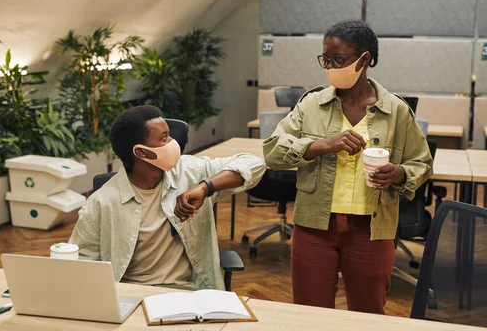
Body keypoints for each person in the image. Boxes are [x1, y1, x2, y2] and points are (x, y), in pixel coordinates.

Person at [263, 20, 433, 314]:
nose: (329, 66)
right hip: (314, 227)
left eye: (338, 59)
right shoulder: (311, 104)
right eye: (325, 59)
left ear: (364, 59)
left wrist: (400, 173)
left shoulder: (395, 110)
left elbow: (421, 162)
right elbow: (272, 151)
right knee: (309, 315)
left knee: (368, 316)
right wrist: (323, 145)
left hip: (371, 229)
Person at [69, 105, 265, 290]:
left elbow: (255, 164)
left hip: (188, 293)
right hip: (131, 296)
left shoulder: (190, 172)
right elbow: (78, 260)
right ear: (141, 152)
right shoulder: (101, 202)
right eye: (164, 138)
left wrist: (206, 188)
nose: (173, 142)